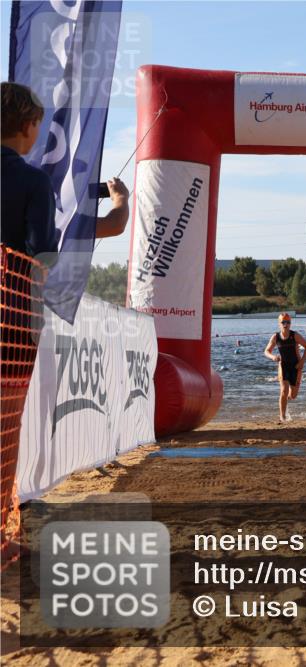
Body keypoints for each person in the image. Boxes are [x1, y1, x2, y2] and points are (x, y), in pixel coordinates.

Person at [1, 82, 59, 555]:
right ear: (28, 126)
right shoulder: (33, 180)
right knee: (4, 433)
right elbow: (43, 256)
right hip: (12, 321)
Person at [264, 313, 306, 422]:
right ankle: (282, 416)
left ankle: (285, 401)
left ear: (290, 323)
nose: (286, 324)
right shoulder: (276, 337)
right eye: (283, 322)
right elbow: (266, 351)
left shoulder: (295, 335)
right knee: (284, 390)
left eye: (288, 322)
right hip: (283, 366)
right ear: (279, 324)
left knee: (293, 395)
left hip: (296, 366)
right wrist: (273, 357)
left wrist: (302, 362)